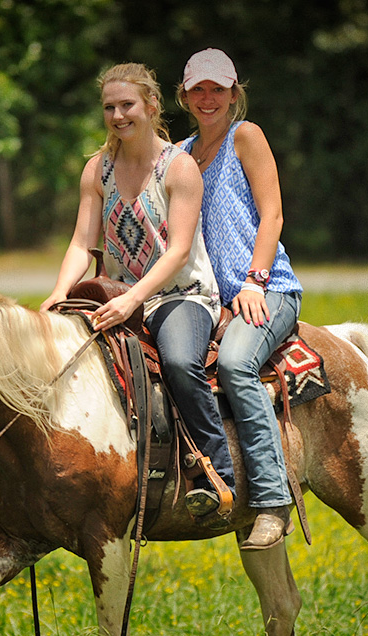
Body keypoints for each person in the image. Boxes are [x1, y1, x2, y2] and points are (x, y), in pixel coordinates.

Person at [41, 62, 235, 517]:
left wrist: (134, 297)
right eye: (109, 107)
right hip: (114, 295)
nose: (117, 115)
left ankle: (217, 472)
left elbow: (179, 253)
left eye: (127, 104)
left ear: (151, 106)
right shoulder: (98, 169)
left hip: (180, 295)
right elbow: (80, 243)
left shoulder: (179, 167)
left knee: (179, 361)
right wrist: (57, 292)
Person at [176, 48, 304, 551]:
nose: (209, 99)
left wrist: (254, 281)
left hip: (268, 289)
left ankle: (272, 501)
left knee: (233, 363)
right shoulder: (181, 154)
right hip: (214, 299)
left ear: (234, 93)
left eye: (219, 89)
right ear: (184, 96)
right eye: (199, 90)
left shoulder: (244, 137)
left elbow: (272, 215)